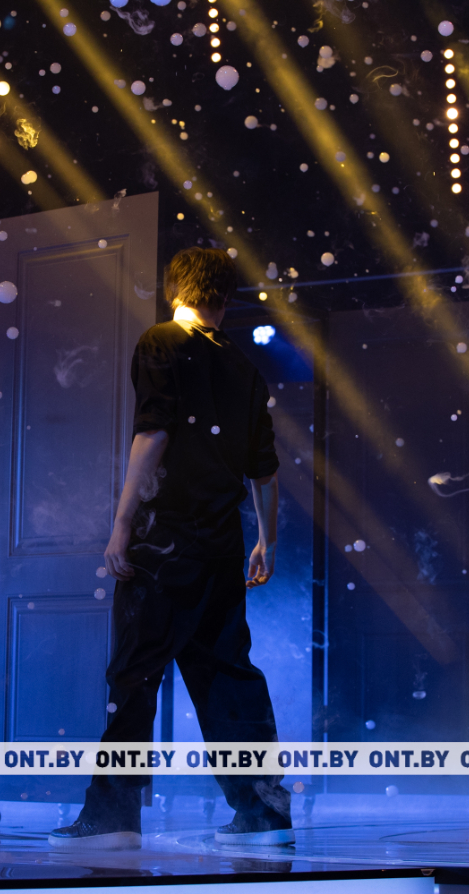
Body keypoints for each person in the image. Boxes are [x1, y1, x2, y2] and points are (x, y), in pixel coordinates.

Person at [49, 247, 292, 850]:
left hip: (165, 537)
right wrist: (267, 539)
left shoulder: (161, 342)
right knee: (228, 674)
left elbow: (153, 432)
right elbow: (264, 469)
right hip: (221, 543)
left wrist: (122, 521)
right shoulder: (242, 366)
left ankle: (113, 818)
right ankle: (261, 813)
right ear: (225, 298)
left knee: (134, 673)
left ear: (174, 289)